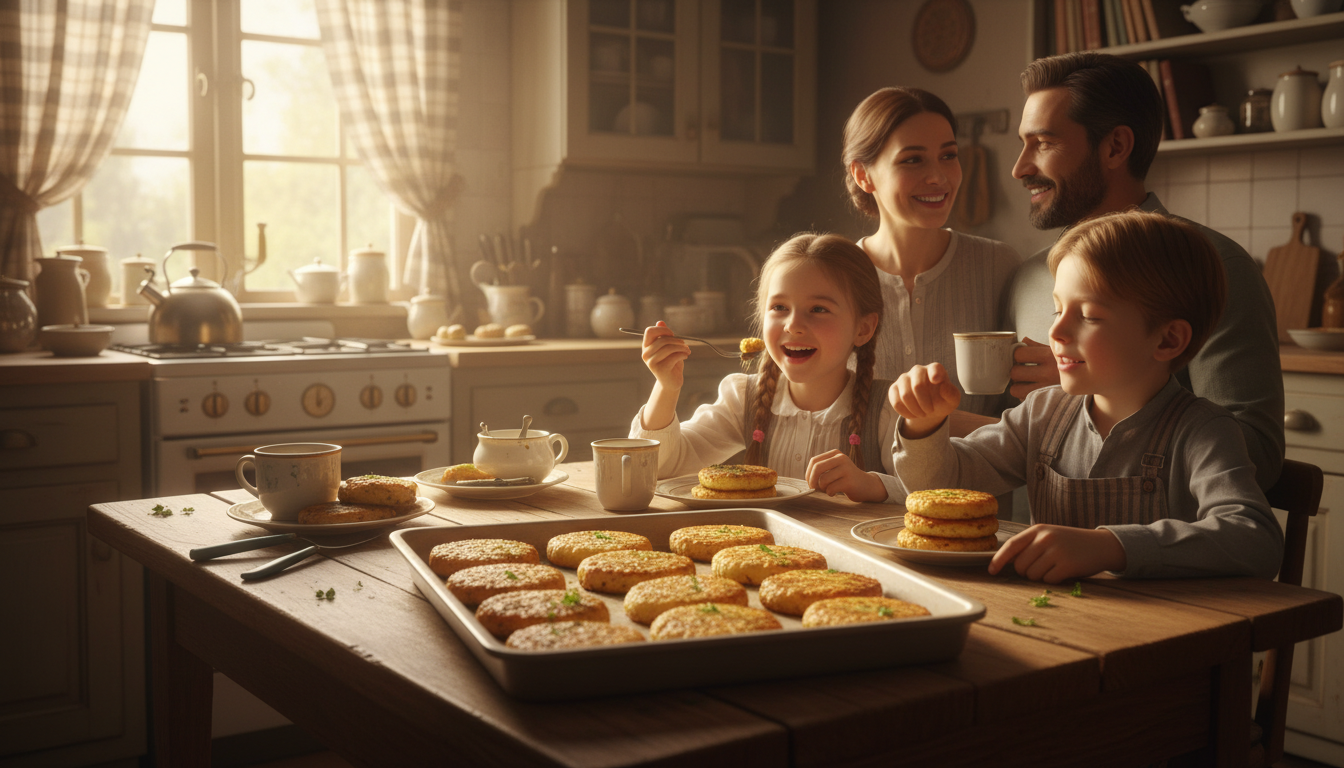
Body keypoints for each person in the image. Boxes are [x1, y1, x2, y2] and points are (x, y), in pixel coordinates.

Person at [888, 211, 1283, 583]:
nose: (1056, 331)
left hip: (1167, 646)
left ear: (1168, 339)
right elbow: (943, 484)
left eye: (1089, 315)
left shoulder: (1203, 432)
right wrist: (923, 425)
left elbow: (1254, 538)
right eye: (1058, 308)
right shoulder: (1042, 413)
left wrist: (1113, 547)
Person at [1001, 51, 1284, 491]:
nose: (1019, 168)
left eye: (1043, 143)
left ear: (1115, 147)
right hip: (1022, 550)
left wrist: (1096, 395)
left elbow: (1257, 460)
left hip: (1153, 557)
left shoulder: (1216, 268)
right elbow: (1003, 445)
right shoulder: (1027, 279)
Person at [630, 233, 899, 504]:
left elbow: (928, 490)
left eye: (818, 309)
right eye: (780, 307)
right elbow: (657, 467)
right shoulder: (743, 398)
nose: (793, 325)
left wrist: (874, 485)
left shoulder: (886, 409)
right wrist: (666, 387)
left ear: (863, 328)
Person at [842, 87, 1021, 419]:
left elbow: (1029, 417)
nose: (939, 177)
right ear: (863, 175)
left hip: (981, 472)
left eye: (949, 155)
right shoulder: (832, 278)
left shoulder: (999, 267)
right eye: (913, 160)